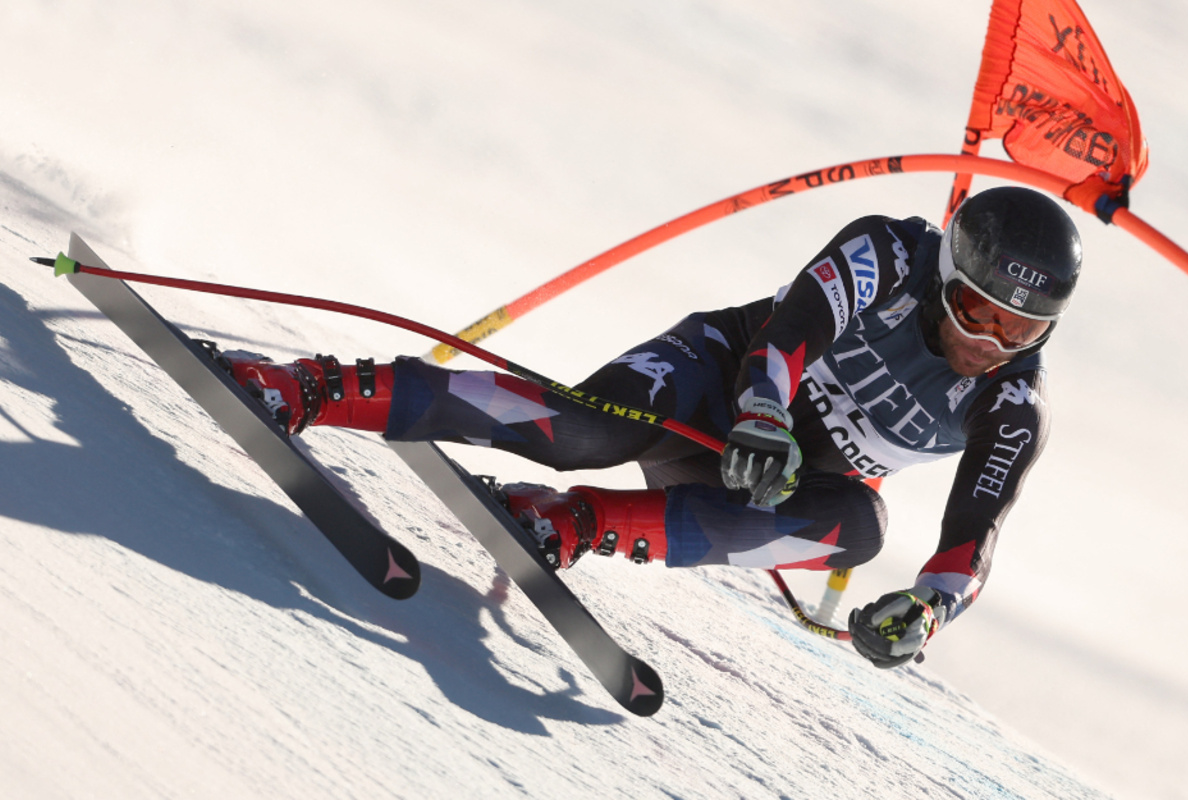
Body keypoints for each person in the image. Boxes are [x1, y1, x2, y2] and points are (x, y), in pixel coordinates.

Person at [218, 185, 1082, 669]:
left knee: (859, 526)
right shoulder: (890, 253)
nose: (990, 342)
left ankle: (572, 520)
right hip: (721, 384)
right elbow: (790, 334)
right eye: (977, 310)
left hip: (764, 480)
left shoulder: (1013, 403)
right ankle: (309, 388)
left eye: (1021, 330)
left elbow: (974, 539)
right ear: (944, 278)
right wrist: (762, 410)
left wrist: (925, 614)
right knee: (584, 431)